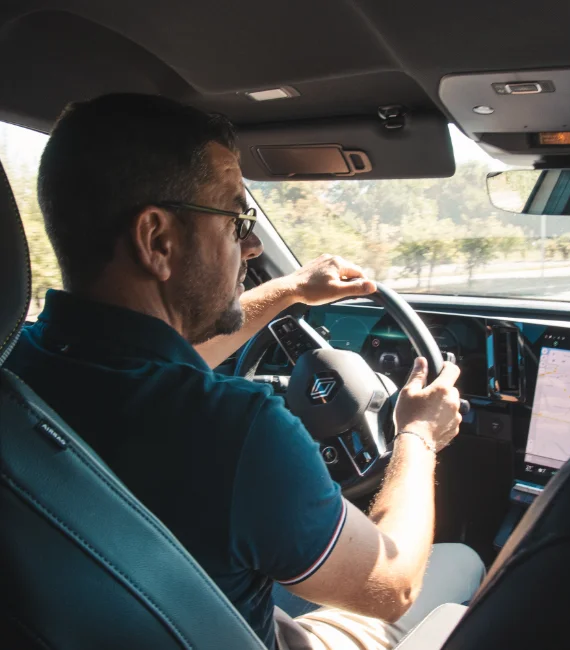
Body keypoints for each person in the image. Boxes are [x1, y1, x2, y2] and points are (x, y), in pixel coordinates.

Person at [6, 94, 484, 650]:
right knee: (459, 562)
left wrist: (290, 290)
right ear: (158, 240)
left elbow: (165, 372)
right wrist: (418, 436)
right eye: (236, 220)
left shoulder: (23, 366)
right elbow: (394, 586)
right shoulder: (237, 428)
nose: (253, 245)